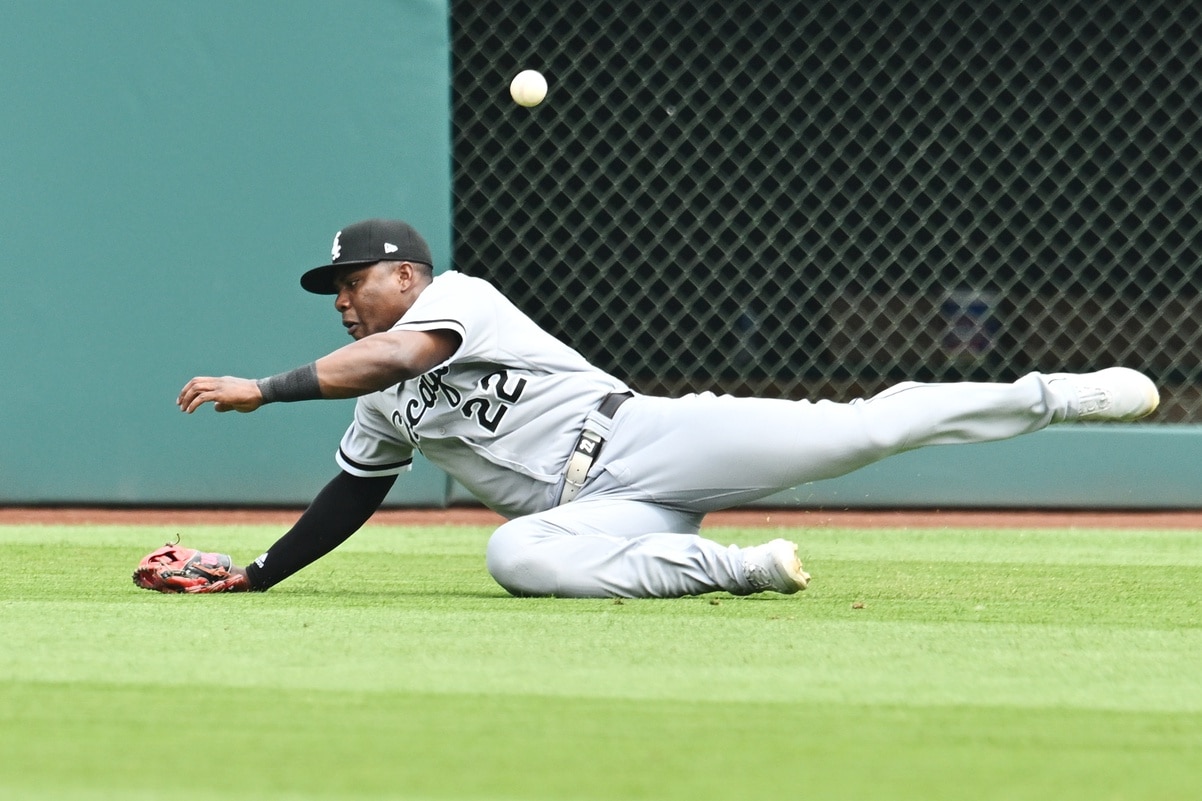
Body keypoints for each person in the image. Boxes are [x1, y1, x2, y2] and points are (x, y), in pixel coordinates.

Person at [134, 218, 1161, 598]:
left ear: (405, 273)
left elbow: (399, 354)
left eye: (352, 280)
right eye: (335, 291)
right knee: (514, 559)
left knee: (860, 428)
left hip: (650, 435)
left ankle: (1054, 394)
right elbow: (350, 495)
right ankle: (732, 570)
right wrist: (262, 574)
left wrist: (262, 389)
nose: (344, 297)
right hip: (590, 515)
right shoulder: (381, 401)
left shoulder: (456, 302)